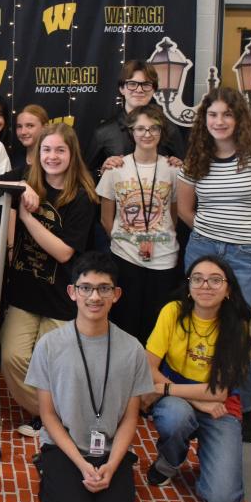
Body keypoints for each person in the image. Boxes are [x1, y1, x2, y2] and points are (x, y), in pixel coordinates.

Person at [177, 86, 251, 443]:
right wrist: (211, 237)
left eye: (227, 114)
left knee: (234, 333)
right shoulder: (196, 157)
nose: (219, 121)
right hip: (202, 249)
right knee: (199, 327)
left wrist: (250, 239)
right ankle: (198, 400)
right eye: (212, 115)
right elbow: (184, 209)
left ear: (239, 119)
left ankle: (250, 407)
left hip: (244, 255)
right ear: (204, 120)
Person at [27, 251, 153, 502]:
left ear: (116, 294)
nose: (94, 297)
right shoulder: (50, 345)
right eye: (86, 288)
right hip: (63, 446)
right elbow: (47, 415)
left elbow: (131, 418)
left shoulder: (132, 348)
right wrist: (81, 465)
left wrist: (112, 464)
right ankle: (48, 470)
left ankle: (106, 475)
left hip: (110, 448)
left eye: (103, 289)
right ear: (72, 292)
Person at [0, 123, 97, 438]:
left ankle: (54, 419)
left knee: (52, 362)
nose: (52, 156)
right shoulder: (26, 180)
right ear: (36, 153)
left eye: (60, 150)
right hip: (24, 293)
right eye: (46, 149)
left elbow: (64, 252)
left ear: (72, 154)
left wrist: (27, 216)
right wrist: (19, 187)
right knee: (12, 356)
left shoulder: (81, 198)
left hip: (61, 296)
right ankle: (50, 414)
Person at [144, 255, 251, 502]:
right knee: (176, 415)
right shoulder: (172, 311)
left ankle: (209, 452)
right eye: (198, 279)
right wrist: (196, 400)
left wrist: (167, 389)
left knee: (223, 501)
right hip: (180, 397)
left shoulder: (237, 324)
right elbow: (148, 368)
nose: (206, 285)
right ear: (189, 286)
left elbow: (219, 392)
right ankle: (169, 461)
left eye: (216, 280)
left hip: (221, 408)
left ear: (228, 289)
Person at [95, 105, 180, 342]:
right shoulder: (116, 168)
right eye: (140, 128)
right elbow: (105, 218)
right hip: (125, 256)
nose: (147, 134)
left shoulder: (172, 169)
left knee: (157, 329)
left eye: (154, 128)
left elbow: (173, 215)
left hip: (164, 258)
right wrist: (128, 241)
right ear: (131, 132)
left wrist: (153, 237)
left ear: (161, 132)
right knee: (125, 325)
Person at [87, 60, 186, 176]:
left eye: (146, 84)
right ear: (121, 89)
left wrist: (180, 166)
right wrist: (102, 171)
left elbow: (185, 173)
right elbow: (86, 175)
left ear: (153, 89)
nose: (139, 90)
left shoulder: (169, 129)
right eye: (132, 84)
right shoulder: (103, 132)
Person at [12, 104, 50, 176]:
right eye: (19, 126)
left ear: (45, 127)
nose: (23, 132)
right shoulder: (14, 159)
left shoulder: (51, 160)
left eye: (30, 126)